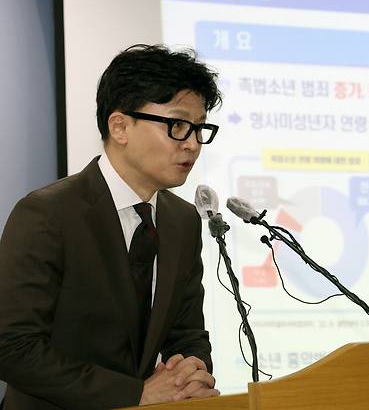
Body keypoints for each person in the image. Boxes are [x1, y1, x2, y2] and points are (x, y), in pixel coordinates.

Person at [0, 44, 222, 409]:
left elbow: (187, 333)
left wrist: (192, 375)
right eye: (179, 126)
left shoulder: (182, 220)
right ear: (119, 126)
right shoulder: (47, 213)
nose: (194, 145)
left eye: (200, 129)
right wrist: (134, 395)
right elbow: (12, 346)